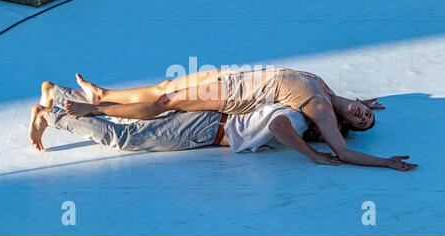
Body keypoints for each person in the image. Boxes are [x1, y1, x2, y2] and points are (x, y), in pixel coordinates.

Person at [63, 67, 417, 171]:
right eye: (365, 113)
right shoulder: (326, 89)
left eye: (360, 121)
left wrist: (384, 162)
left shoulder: (322, 112)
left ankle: (92, 109)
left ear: (345, 126)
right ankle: (102, 95)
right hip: (236, 78)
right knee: (164, 90)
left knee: (163, 101)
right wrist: (364, 103)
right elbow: (353, 106)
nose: (362, 114)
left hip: (234, 96)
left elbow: (343, 153)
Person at [29, 81, 345, 165]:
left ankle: (56, 94)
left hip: (210, 119)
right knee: (127, 138)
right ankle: (52, 115)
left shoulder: (298, 104)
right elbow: (279, 129)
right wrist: (313, 155)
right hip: (207, 128)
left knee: (135, 122)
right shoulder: (297, 121)